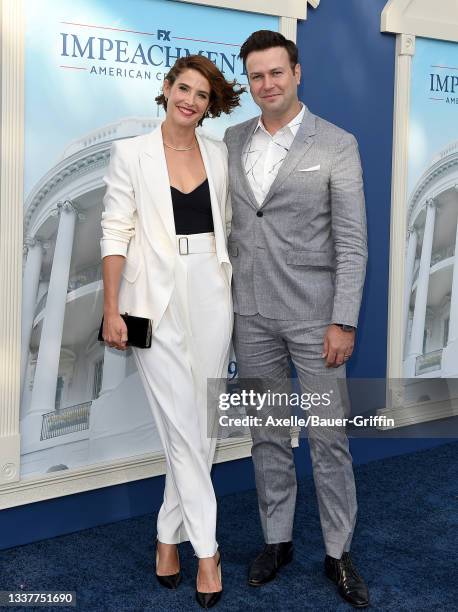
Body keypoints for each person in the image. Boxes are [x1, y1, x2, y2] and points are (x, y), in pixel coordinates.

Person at [224, 31, 370, 607]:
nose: (267, 85)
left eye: (276, 73)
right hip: (250, 315)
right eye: (256, 76)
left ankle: (338, 554)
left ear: (298, 73)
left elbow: (353, 244)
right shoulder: (233, 139)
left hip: (317, 319)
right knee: (266, 436)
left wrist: (345, 320)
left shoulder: (337, 143)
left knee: (329, 440)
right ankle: (277, 541)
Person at [100, 54, 242, 609]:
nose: (190, 100)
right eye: (183, 88)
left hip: (211, 286)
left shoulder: (218, 152)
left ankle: (166, 537)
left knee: (200, 423)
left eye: (202, 95)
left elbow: (227, 223)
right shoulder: (130, 153)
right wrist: (112, 308)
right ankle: (207, 549)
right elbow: (115, 232)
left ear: (209, 105)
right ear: (166, 89)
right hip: (147, 300)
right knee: (183, 422)